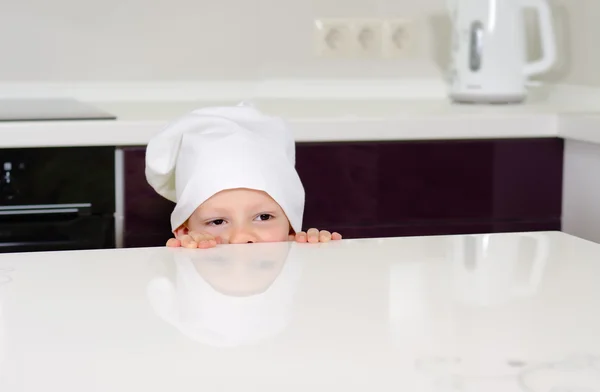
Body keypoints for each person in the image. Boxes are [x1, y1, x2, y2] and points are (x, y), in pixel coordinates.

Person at [145, 103, 342, 249]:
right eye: (217, 221)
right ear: (185, 231)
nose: (240, 238)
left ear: (290, 225)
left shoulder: (297, 259)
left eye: (264, 217)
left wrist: (316, 254)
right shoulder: (187, 259)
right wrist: (185, 255)